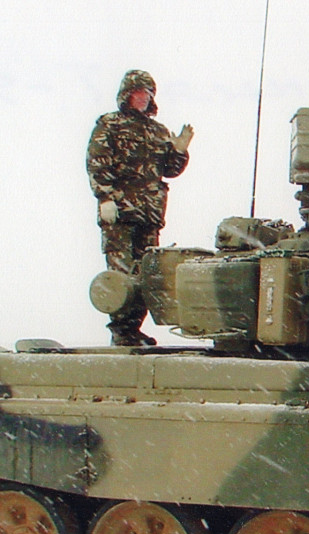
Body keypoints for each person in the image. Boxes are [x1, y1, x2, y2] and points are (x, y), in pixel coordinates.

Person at [86, 70, 193, 346]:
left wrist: (180, 150)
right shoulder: (110, 124)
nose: (144, 98)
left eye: (148, 93)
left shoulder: (158, 131)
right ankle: (121, 330)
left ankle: (133, 328)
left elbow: (169, 170)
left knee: (145, 274)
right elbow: (97, 161)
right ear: (126, 95)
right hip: (120, 213)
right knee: (121, 274)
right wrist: (105, 198)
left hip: (150, 214)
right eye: (138, 92)